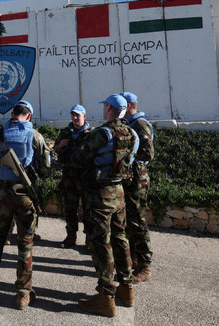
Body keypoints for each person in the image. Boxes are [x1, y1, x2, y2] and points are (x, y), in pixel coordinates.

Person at [0, 100, 51, 310]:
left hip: (2, 195)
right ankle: (23, 293)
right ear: (28, 116)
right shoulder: (35, 136)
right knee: (25, 243)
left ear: (13, 113)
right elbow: (46, 169)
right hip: (25, 197)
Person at [74, 94, 139, 317]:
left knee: (102, 242)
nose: (103, 110)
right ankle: (127, 288)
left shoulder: (102, 133)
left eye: (105, 107)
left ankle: (106, 296)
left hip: (100, 193)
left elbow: (79, 158)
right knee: (121, 238)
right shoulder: (130, 132)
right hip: (118, 191)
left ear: (109, 109)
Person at [120, 92, 155, 283]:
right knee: (128, 219)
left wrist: (128, 158)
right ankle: (133, 258)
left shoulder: (140, 125)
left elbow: (148, 154)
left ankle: (145, 264)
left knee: (137, 220)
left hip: (137, 179)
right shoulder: (128, 125)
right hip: (128, 178)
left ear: (129, 105)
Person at [54, 104, 93, 248]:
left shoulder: (91, 133)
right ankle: (71, 237)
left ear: (84, 116)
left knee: (89, 210)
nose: (75, 118)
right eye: (73, 115)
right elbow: (55, 152)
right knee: (70, 209)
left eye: (78, 115)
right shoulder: (65, 132)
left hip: (86, 179)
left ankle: (90, 240)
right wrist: (59, 146)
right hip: (69, 178)